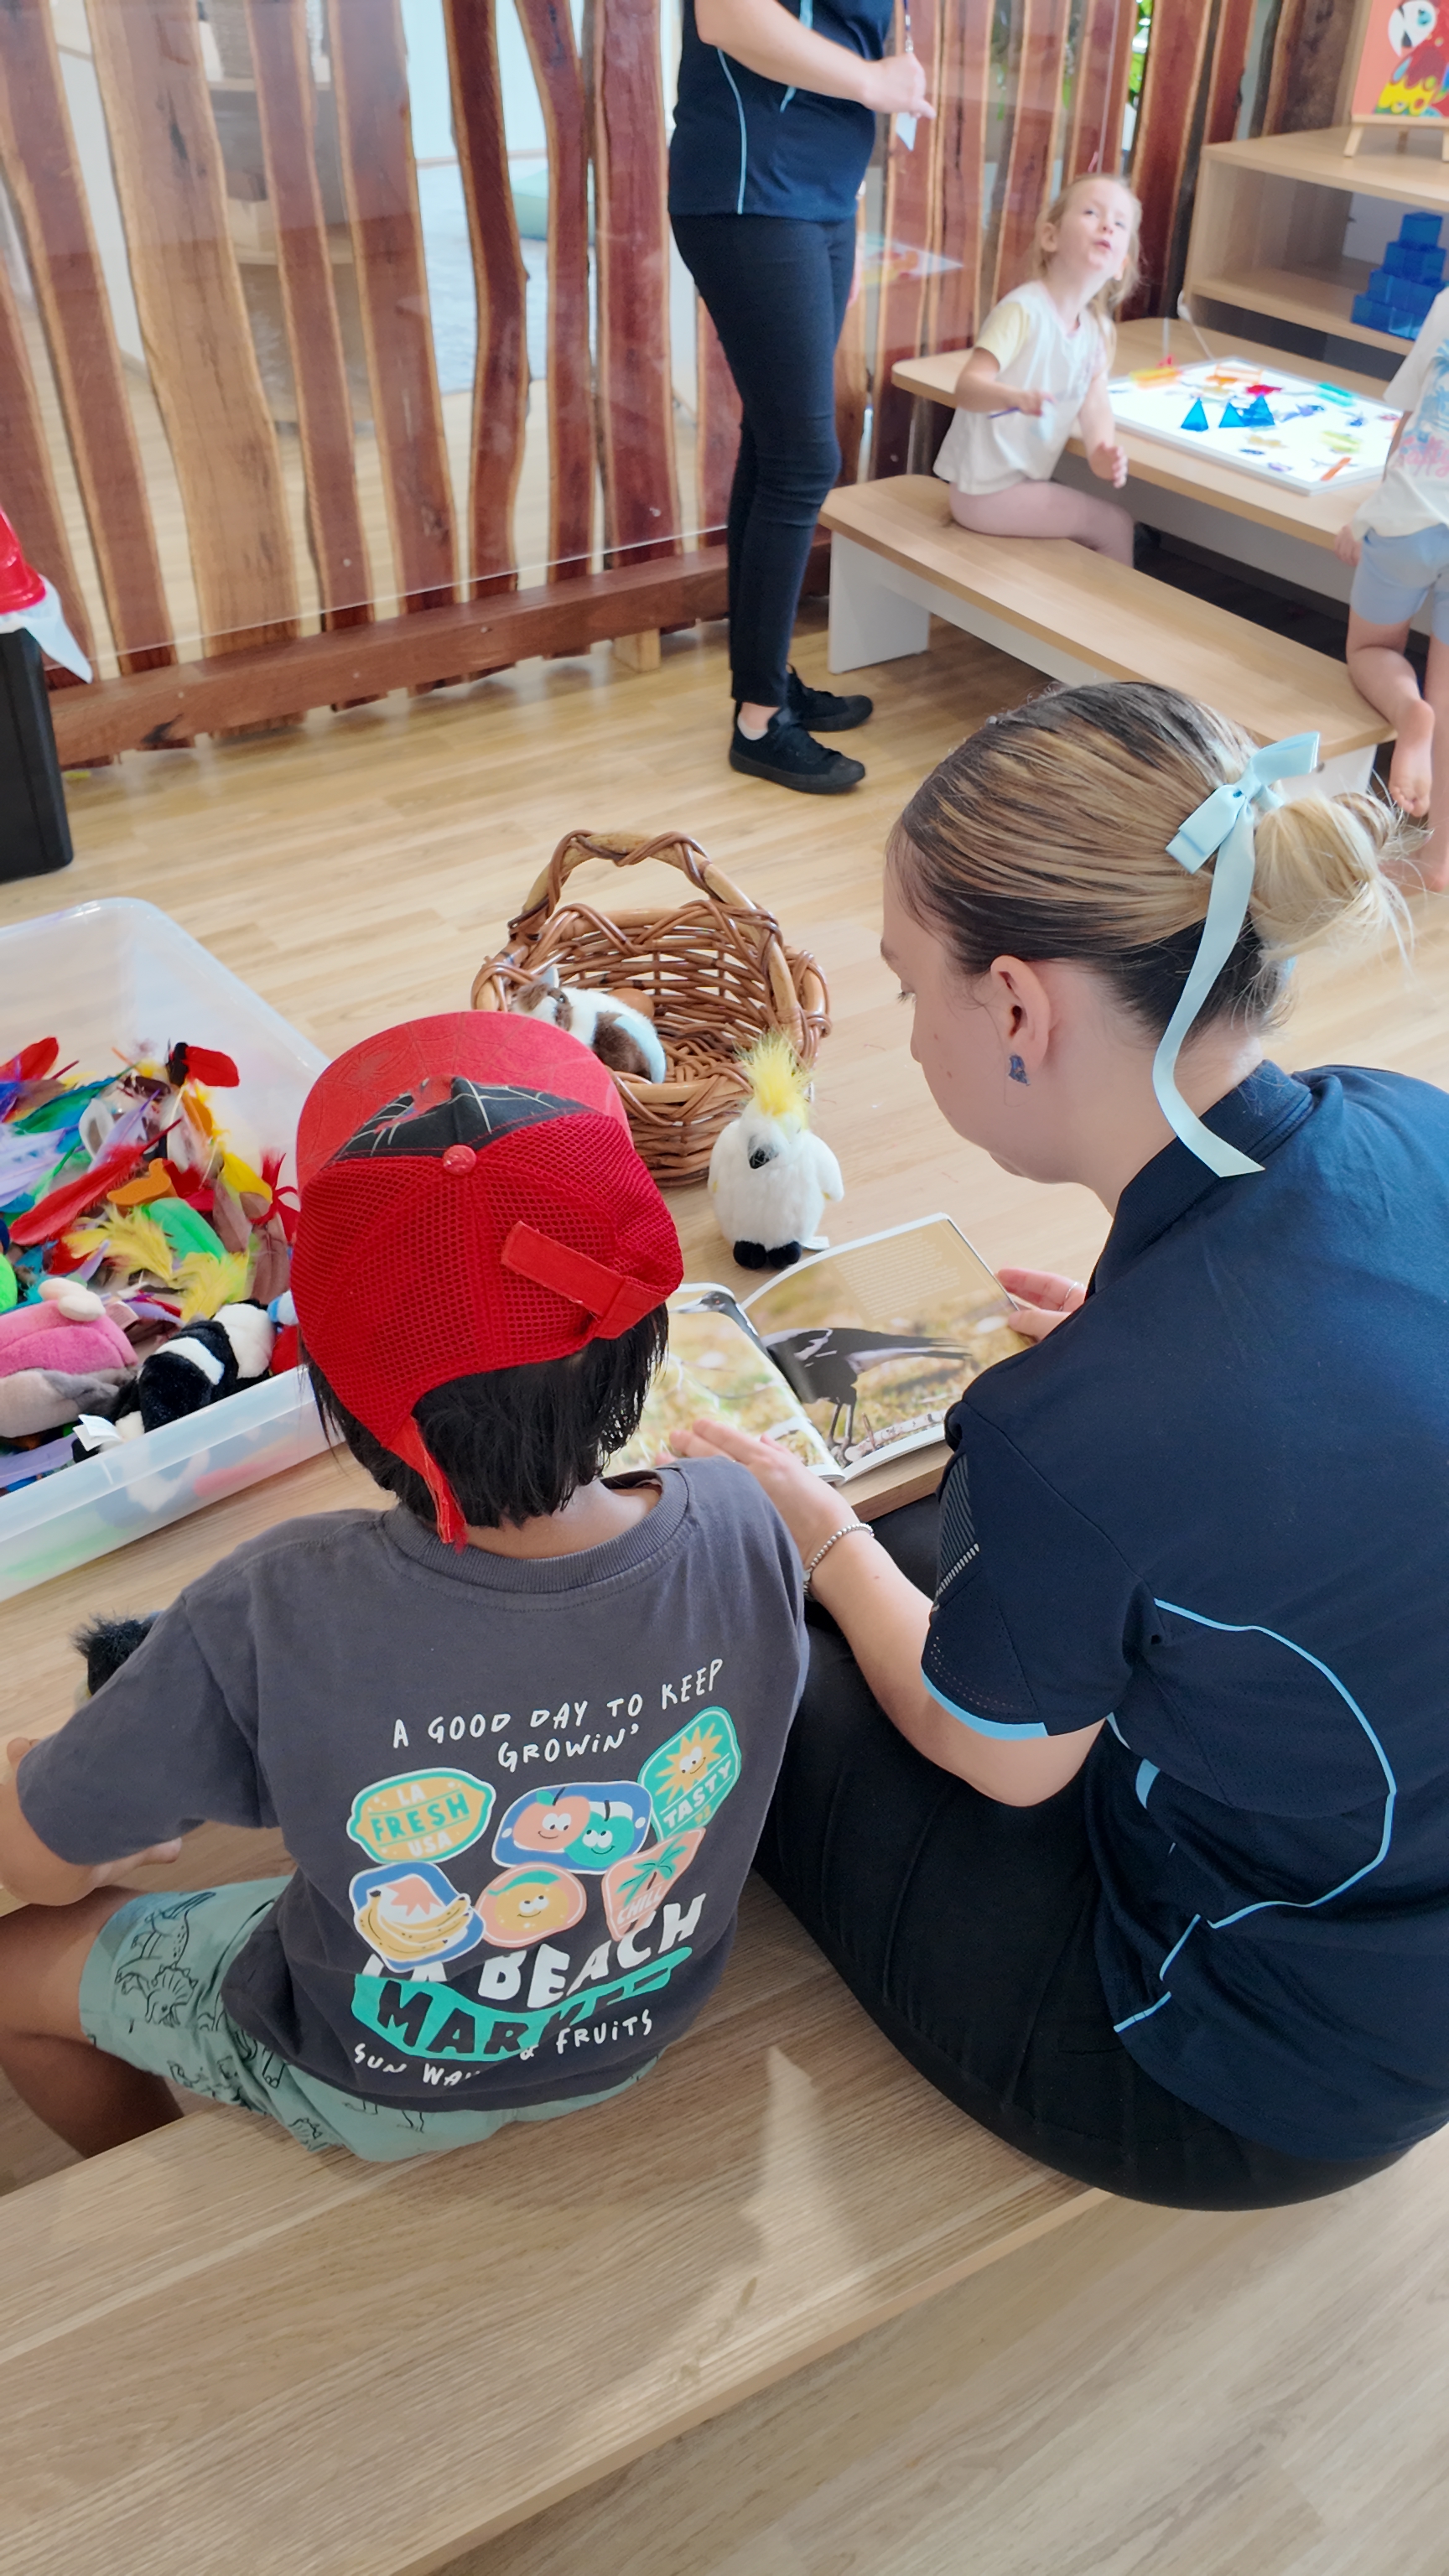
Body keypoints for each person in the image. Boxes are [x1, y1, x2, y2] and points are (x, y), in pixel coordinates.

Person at [675, 680, 1449, 2211]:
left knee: (745, 1631)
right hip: (1395, 1931)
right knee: (949, 1558)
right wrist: (1118, 1332)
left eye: (909, 989)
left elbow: (999, 1765)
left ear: (1017, 1006)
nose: (904, 1032)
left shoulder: (1084, 1433)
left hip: (1248, 2069)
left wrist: (806, 1523)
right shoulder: (1398, 1114)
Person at [0, 1013, 806, 2162]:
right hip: (645, 2005)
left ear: (331, 1393)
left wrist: (33, 1776)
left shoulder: (273, 1602)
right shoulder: (741, 1520)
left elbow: (38, 1860)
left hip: (367, 2070)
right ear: (643, 1352)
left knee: (13, 1969)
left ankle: (167, 2170)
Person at [671, 0, 932, 795]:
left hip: (816, 192)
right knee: (804, 455)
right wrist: (875, 82)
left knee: (777, 443)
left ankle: (767, 683)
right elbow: (728, 18)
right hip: (753, 191)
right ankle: (758, 720)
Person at [935, 174, 1140, 566]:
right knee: (1116, 526)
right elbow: (968, 387)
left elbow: (1095, 404)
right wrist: (1013, 397)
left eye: (1119, 223)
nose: (1107, 226)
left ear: (1121, 264)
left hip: (1018, 487)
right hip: (985, 493)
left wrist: (1101, 450)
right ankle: (1101, 628)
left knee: (1104, 525)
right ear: (1051, 237)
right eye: (1091, 212)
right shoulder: (1023, 311)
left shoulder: (1098, 332)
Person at [1335, 287, 1449, 890]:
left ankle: (1410, 715)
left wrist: (1366, 515)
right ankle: (1439, 859)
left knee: (1372, 650)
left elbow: (1408, 424)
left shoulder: (1447, 303)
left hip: (1410, 518)